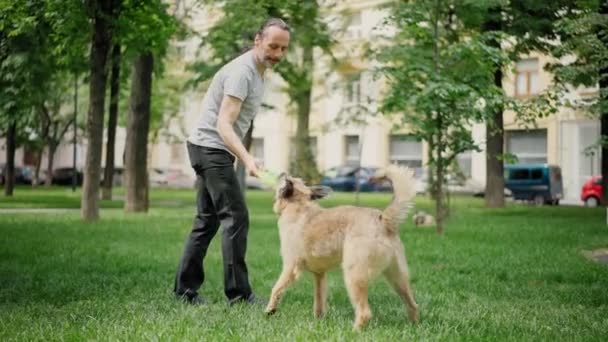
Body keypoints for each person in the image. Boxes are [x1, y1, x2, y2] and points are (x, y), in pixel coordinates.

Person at [173, 18, 291, 306]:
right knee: (235, 217)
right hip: (211, 148)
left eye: (283, 49)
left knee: (207, 220)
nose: (277, 53)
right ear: (258, 40)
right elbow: (224, 124)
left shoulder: (259, 72)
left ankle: (184, 290)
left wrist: (243, 155)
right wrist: (247, 157)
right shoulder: (242, 72)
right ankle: (239, 295)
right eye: (272, 46)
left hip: (208, 148)